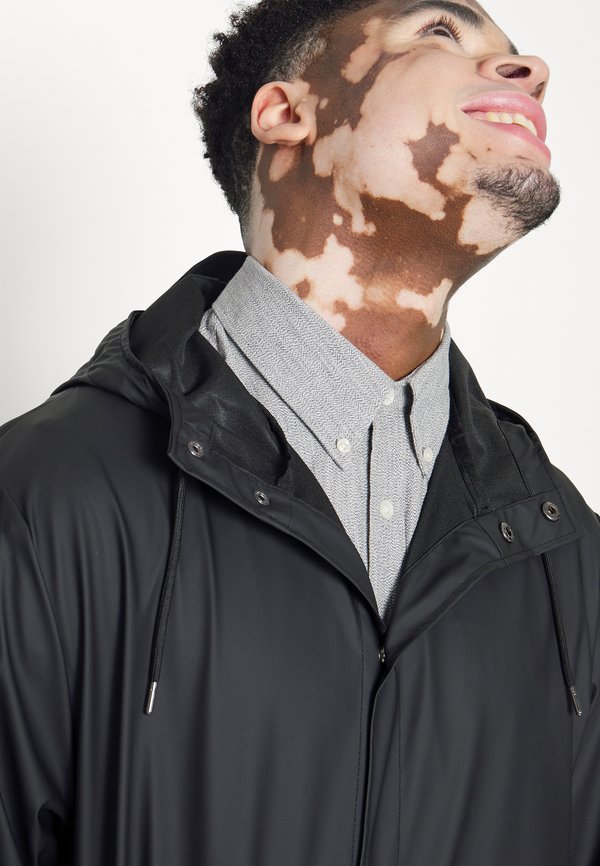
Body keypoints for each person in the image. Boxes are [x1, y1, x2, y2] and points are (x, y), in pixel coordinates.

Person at [1, 0, 598, 863]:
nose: (530, 70)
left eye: (518, 54)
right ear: (288, 112)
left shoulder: (568, 555)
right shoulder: (46, 496)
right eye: (439, 32)